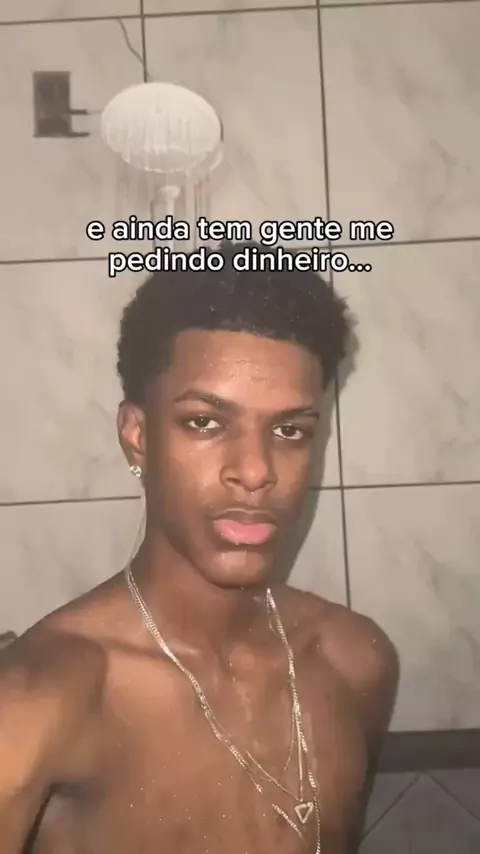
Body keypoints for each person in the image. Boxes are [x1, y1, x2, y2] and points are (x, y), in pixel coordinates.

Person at [0, 242, 398, 854]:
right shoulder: (41, 697)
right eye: (205, 422)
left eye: (290, 430)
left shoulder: (355, 660)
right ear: (138, 436)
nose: (256, 471)